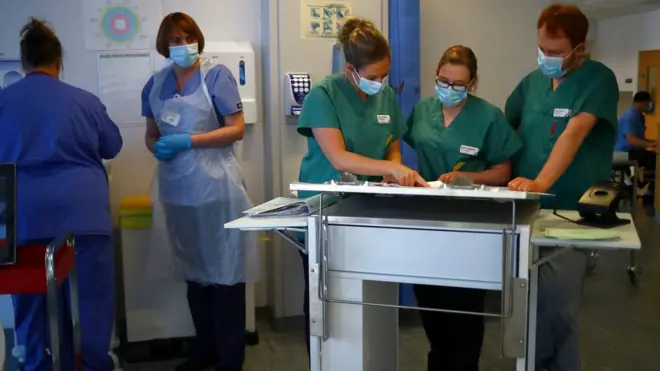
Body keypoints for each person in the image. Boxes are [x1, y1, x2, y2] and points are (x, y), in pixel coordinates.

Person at [296, 17, 427, 355]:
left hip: (367, 209)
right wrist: (393, 168)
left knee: (368, 303)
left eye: (385, 76)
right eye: (372, 77)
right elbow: (340, 159)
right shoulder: (323, 96)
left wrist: (391, 168)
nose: (380, 83)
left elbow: (391, 141)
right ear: (350, 69)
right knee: (329, 309)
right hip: (326, 209)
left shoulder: (383, 97)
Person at [0, 18, 122, 371]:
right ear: (59, 62)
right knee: (91, 307)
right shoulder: (84, 101)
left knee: (32, 306)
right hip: (83, 218)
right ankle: (94, 364)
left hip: (22, 220)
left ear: (24, 64)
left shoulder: (4, 102)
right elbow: (112, 145)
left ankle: (40, 364)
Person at [505, 4, 619, 370]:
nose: (546, 58)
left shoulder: (598, 80)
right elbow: (507, 134)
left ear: (579, 49)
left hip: (571, 210)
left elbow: (573, 133)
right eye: (542, 49)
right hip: (525, 208)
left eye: (555, 52)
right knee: (526, 304)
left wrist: (540, 182)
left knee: (557, 308)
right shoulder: (532, 84)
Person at [141, 12, 255, 371]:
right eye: (174, 39)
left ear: (198, 40)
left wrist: (188, 141)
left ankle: (229, 358)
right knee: (195, 274)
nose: (181, 45)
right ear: (164, 44)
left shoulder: (215, 76)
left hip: (217, 190)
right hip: (177, 193)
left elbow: (236, 129)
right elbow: (151, 132)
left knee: (225, 275)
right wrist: (156, 146)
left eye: (187, 37)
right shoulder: (155, 85)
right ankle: (204, 350)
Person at [406, 45, 521, 371]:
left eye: (459, 85)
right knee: (431, 309)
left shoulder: (488, 117)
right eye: (444, 81)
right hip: (427, 222)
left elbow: (503, 172)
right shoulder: (423, 110)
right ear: (436, 76)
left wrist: (466, 176)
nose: (450, 89)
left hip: (471, 225)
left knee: (464, 320)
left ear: (472, 84)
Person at [615, 91, 656, 196]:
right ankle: (626, 186)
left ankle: (630, 185)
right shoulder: (630, 116)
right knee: (654, 162)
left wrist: (652, 142)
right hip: (624, 152)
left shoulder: (639, 116)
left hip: (633, 150)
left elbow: (639, 138)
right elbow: (632, 140)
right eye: (648, 103)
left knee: (652, 161)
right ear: (643, 102)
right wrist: (649, 145)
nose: (649, 106)